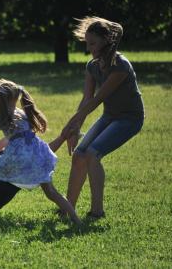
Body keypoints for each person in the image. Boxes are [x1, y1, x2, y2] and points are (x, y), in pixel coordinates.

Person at [0, 79, 81, 224]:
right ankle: (76, 219)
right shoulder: (24, 113)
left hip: (18, 156)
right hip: (38, 153)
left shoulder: (1, 116)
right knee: (51, 192)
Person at [61, 16, 145, 218]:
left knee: (92, 154)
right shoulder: (92, 66)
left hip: (129, 118)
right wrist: (75, 128)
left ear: (106, 40)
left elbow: (98, 99)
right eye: (87, 43)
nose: (89, 48)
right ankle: (67, 208)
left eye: (93, 43)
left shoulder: (120, 66)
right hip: (110, 116)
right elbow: (86, 99)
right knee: (80, 154)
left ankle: (97, 212)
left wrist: (70, 126)